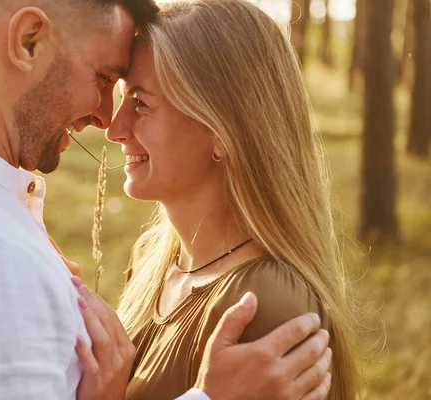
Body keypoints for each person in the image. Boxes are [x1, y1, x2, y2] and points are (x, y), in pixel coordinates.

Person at [0, 0, 331, 399]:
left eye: (137, 101)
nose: (107, 123)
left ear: (223, 128)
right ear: (28, 40)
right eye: (105, 79)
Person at [97, 0, 355, 399]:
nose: (114, 129)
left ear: (221, 129)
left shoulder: (265, 304)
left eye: (140, 103)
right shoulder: (154, 261)